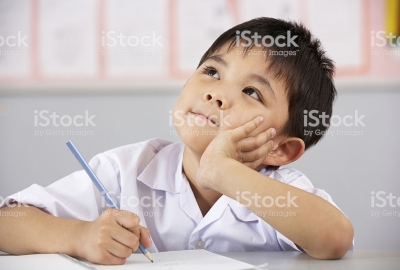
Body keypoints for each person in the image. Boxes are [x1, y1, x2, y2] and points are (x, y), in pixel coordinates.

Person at [0, 17, 354, 264]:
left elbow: (335, 239)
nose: (216, 93)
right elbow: (8, 222)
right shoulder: (125, 169)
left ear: (280, 148)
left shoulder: (279, 191)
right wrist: (79, 236)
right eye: (212, 72)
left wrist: (223, 171)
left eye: (251, 92)